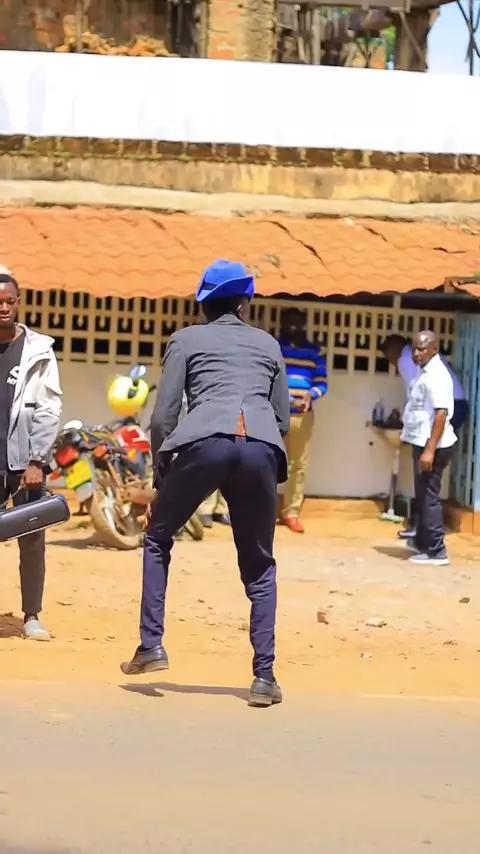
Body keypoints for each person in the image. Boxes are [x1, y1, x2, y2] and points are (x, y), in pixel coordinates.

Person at [121, 260, 290, 707]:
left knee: (158, 537)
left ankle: (151, 645)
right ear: (244, 302)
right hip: (260, 449)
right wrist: (259, 450)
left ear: (204, 304)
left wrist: (162, 477)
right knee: (260, 565)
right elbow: (282, 419)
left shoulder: (185, 340)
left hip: (204, 445)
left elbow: (163, 416)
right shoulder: (269, 344)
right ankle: (264, 676)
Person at [0, 266, 62, 640]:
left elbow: (49, 408)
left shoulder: (38, 350)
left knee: (32, 539)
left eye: (10, 301)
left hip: (24, 461)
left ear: (19, 303)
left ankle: (31, 615)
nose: (3, 308)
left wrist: (37, 459)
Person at [382, 333, 468, 540]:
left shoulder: (405, 359)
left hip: (446, 411)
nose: (416, 353)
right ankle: (422, 531)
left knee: (426, 482)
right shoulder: (424, 362)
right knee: (427, 482)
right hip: (456, 407)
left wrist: (428, 447)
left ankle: (427, 536)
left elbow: (419, 398)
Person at [399, 330, 457, 566]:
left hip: (434, 445)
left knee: (429, 497)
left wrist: (430, 450)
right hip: (424, 442)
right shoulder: (425, 371)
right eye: (414, 348)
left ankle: (436, 551)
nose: (417, 353)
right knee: (422, 495)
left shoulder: (437, 375)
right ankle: (423, 541)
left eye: (422, 349)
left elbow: (441, 413)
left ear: (435, 349)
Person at [277, 307, 328, 533]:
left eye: (297, 324)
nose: (293, 328)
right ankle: (263, 510)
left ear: (304, 326)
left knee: (298, 465)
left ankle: (291, 513)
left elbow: (322, 382)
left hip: (303, 416)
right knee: (267, 462)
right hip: (275, 414)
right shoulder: (274, 347)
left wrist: (310, 395)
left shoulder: (315, 351)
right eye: (289, 323)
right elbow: (268, 379)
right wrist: (288, 399)